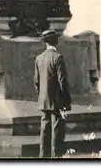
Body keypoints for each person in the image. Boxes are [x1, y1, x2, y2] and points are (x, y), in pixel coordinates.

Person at [34, 29, 72, 158]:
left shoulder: (39, 58)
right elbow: (62, 81)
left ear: (45, 43)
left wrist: (41, 95)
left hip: (44, 99)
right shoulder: (58, 57)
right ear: (55, 41)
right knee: (57, 129)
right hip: (57, 100)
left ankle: (43, 156)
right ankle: (57, 156)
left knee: (44, 128)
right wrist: (67, 100)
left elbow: (36, 81)